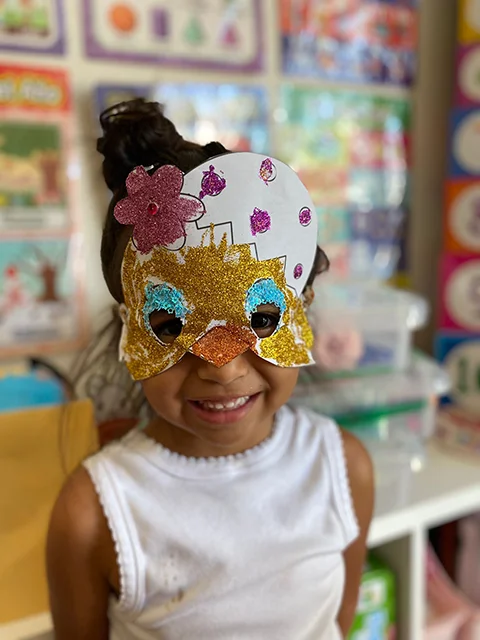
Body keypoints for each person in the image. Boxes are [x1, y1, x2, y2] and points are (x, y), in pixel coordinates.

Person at [47, 99, 374, 640]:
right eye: (171, 325)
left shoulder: (343, 469)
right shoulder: (92, 512)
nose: (222, 368)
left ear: (302, 307)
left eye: (262, 317)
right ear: (128, 328)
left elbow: (337, 622)